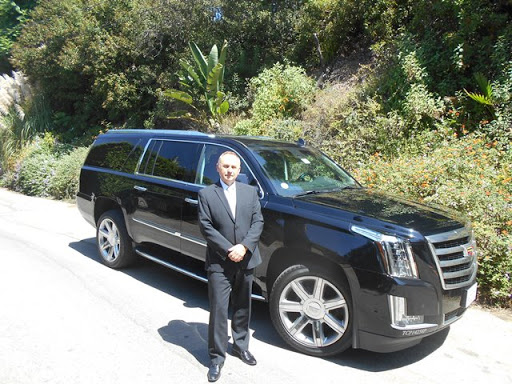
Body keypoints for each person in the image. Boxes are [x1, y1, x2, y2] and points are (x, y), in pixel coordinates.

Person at [198, 151, 264, 382]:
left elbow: (258, 222)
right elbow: (206, 227)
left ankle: (240, 345)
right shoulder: (206, 194)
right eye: (225, 166)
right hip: (219, 261)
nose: (229, 171)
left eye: (233, 167)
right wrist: (229, 249)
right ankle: (216, 358)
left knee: (243, 306)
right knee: (218, 309)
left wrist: (244, 247)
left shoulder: (250, 192)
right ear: (217, 168)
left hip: (246, 259)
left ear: (239, 170)